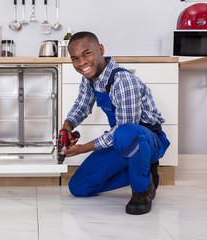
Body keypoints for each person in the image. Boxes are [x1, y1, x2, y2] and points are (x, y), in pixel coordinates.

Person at [61, 31, 170, 215]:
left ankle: (141, 191)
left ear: (100, 49)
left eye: (86, 54)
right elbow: (81, 106)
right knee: (79, 187)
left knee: (126, 133)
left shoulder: (123, 81)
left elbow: (125, 127)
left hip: (148, 140)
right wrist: (67, 125)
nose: (81, 63)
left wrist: (83, 148)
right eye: (75, 58)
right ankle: (146, 173)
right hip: (121, 142)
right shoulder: (90, 79)